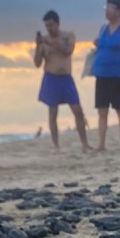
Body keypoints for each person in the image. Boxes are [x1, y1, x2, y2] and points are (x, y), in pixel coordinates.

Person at [34, 10, 92, 152]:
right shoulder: (44, 42)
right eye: (47, 26)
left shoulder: (68, 36)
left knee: (78, 111)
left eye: (51, 25)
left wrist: (49, 42)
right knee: (53, 113)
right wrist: (38, 46)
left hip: (66, 77)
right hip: (51, 77)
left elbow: (68, 50)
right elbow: (37, 63)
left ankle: (85, 144)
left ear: (57, 24)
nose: (49, 28)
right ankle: (56, 146)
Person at [92, 0, 120, 151]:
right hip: (101, 73)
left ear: (118, 11)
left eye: (110, 8)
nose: (107, 10)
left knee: (119, 108)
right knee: (102, 110)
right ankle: (101, 144)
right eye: (106, 7)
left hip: (118, 74)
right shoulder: (103, 28)